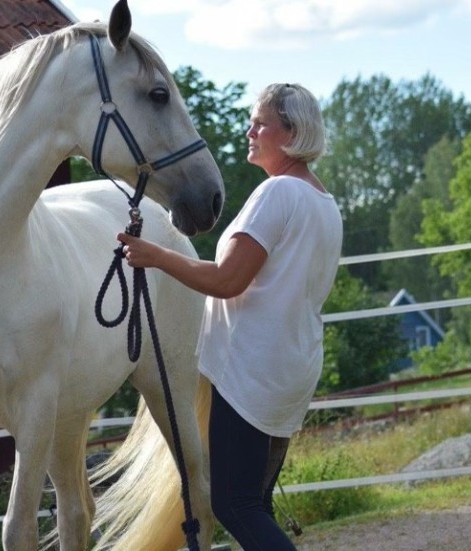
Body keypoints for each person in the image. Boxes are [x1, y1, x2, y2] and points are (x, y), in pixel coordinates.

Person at [117, 82, 343, 551]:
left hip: (252, 371)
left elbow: (226, 280)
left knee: (235, 505)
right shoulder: (324, 202)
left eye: (261, 122)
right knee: (255, 503)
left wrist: (155, 256)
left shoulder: (277, 193)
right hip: (289, 366)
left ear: (292, 132)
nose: (250, 130)